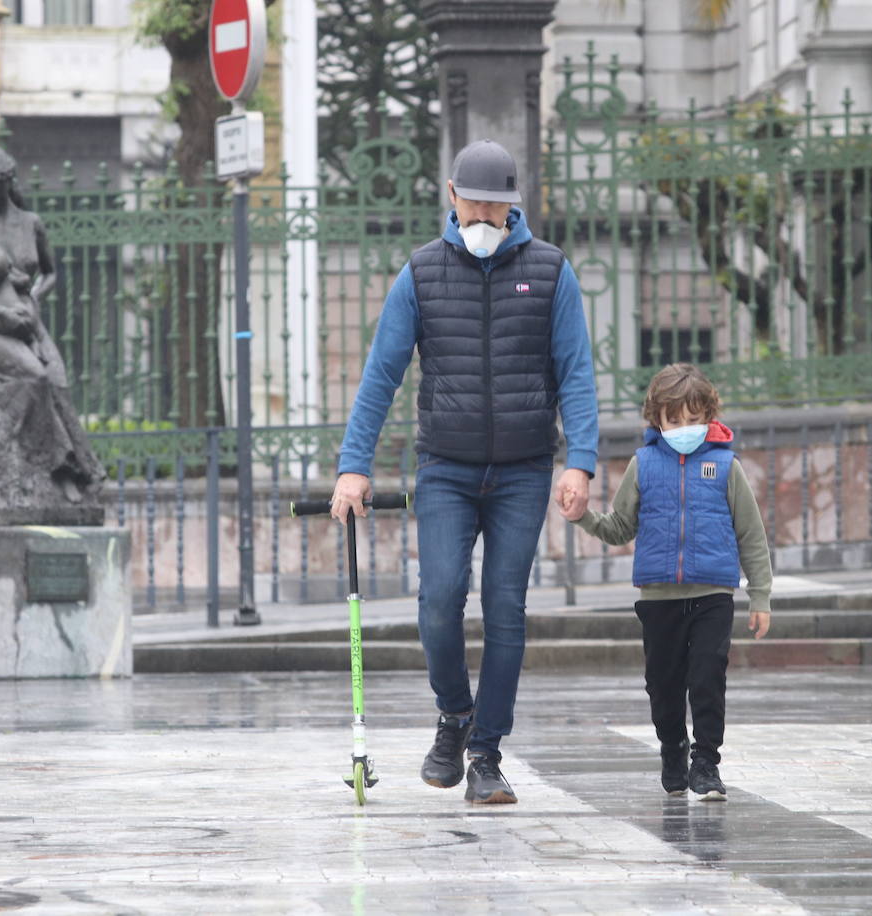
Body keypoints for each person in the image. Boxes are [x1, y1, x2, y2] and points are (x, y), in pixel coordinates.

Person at [331, 139, 599, 805]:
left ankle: (486, 754)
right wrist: (352, 467)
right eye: (473, 201)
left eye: (496, 205)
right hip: (447, 468)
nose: (484, 214)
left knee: (506, 607)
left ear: (515, 206)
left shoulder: (550, 270)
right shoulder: (420, 274)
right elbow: (381, 377)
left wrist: (582, 463)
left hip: (523, 469)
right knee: (440, 599)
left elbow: (578, 374)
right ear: (452, 197)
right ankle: (454, 715)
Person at [560, 363, 772, 800]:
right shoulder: (644, 465)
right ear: (657, 419)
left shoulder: (726, 467)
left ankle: (706, 763)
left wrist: (760, 595)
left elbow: (751, 534)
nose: (684, 428)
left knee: (708, 676)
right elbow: (620, 526)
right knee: (663, 682)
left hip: (713, 592)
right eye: (674, 419)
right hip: (659, 598)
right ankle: (672, 745)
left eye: (694, 419)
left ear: (709, 416)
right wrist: (583, 518)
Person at [0, 145, 102, 517]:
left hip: (26, 322)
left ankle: (76, 467)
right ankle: (59, 464)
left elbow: (49, 272)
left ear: (8, 183)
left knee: (57, 380)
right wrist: (4, 312)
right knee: (34, 376)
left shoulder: (30, 222)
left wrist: (31, 297)